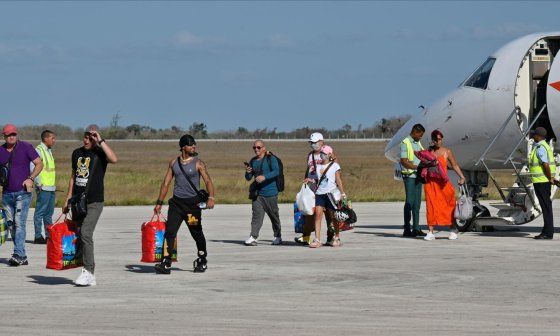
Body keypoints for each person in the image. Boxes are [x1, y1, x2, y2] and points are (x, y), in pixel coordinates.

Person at [63, 125, 118, 286]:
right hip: (78, 202)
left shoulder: (100, 153)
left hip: (95, 201)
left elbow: (114, 159)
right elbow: (73, 177)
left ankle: (88, 270)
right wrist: (67, 199)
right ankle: (89, 276)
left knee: (86, 233)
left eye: (91, 137)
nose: (87, 140)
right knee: (80, 234)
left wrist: (100, 140)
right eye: (85, 137)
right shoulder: (76, 153)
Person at [154, 134, 215, 274]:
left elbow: (208, 181)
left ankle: (202, 259)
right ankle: (166, 262)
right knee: (170, 232)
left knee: (196, 233)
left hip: (193, 206)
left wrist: (211, 198)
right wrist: (159, 203)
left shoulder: (198, 163)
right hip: (176, 204)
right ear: (183, 147)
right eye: (191, 145)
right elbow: (166, 183)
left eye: (195, 145)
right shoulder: (174, 163)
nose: (194, 147)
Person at [0, 124, 43, 266]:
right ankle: (22, 255)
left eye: (14, 134)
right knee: (11, 224)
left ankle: (18, 254)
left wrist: (30, 179)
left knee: (19, 222)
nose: (12, 137)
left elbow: (39, 164)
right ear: (4, 136)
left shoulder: (26, 147)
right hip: (6, 194)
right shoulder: (0, 151)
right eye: (8, 135)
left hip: (23, 193)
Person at [294, 132, 338, 246]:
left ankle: (331, 237)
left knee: (329, 214)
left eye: (315, 143)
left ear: (321, 142)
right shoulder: (310, 155)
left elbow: (335, 171)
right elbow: (308, 170)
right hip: (312, 189)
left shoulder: (328, 153)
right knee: (309, 213)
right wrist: (305, 184)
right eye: (311, 143)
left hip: (327, 189)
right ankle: (306, 237)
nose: (313, 145)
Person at [423, 130, 466, 241]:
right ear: (433, 140)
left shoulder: (447, 151)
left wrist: (462, 177)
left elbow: (455, 165)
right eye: (437, 139)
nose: (439, 141)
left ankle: (452, 229)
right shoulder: (428, 152)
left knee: (449, 206)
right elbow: (422, 166)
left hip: (443, 184)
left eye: (440, 139)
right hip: (431, 184)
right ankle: (431, 232)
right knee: (431, 207)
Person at [244, 140, 282, 246]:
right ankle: (253, 237)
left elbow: (276, 171)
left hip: (270, 193)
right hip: (258, 194)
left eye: (259, 147)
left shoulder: (271, 159)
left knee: (274, 216)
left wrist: (265, 177)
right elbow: (248, 178)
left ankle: (277, 236)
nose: (256, 149)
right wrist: (247, 172)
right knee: (256, 216)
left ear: (264, 148)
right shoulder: (253, 161)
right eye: (254, 147)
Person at [307, 145, 346, 248]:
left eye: (324, 153)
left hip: (331, 194)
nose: (322, 155)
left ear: (329, 154)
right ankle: (317, 239)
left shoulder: (334, 166)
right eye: (321, 153)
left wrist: (342, 193)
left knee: (334, 217)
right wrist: (310, 180)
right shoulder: (318, 166)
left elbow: (338, 180)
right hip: (320, 193)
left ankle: (337, 237)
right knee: (318, 215)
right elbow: (317, 180)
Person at [400, 124, 426, 238]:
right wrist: (416, 167)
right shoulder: (405, 142)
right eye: (419, 135)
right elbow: (403, 161)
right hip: (410, 176)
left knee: (417, 204)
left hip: (418, 176)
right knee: (409, 202)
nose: (420, 138)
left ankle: (416, 228)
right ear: (415, 132)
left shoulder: (418, 143)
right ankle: (407, 228)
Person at [529, 127, 555, 239]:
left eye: (534, 134)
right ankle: (546, 231)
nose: (533, 136)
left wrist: (550, 178)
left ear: (539, 136)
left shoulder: (540, 147)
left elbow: (545, 164)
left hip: (542, 182)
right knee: (546, 208)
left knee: (546, 208)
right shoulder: (544, 146)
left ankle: (548, 233)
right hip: (542, 182)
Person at [32, 130, 57, 244]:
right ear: (45, 139)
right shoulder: (39, 150)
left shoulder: (49, 151)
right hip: (43, 187)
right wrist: (38, 182)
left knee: (48, 214)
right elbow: (33, 166)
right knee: (40, 213)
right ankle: (38, 236)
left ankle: (49, 236)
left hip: (51, 187)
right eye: (52, 138)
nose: (54, 140)